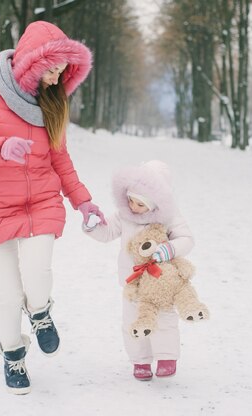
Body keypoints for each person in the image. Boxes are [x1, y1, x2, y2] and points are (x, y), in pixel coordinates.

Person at [0, 21, 105, 395]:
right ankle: (13, 356)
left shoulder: (52, 101)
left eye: (62, 73)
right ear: (32, 62)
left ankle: (40, 313)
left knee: (38, 273)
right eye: (52, 69)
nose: (56, 80)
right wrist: (0, 148)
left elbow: (61, 159)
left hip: (40, 201)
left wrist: (83, 200)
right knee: (7, 294)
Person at [84, 160, 195, 381]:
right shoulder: (124, 215)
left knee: (164, 320)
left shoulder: (170, 217)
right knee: (132, 322)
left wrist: (169, 249)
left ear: (157, 203)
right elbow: (107, 233)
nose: (134, 207)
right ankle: (140, 361)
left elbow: (187, 239)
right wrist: (93, 225)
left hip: (161, 282)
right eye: (131, 201)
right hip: (132, 282)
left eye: (140, 204)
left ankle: (166, 357)